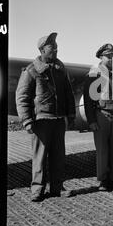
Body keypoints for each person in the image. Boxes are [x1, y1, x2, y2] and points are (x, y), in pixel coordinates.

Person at [16, 32, 75, 202]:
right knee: (39, 157)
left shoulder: (60, 68)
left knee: (58, 157)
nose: (56, 49)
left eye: (56, 47)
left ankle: (57, 188)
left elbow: (68, 93)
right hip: (40, 121)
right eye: (52, 47)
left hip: (58, 120)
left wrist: (71, 115)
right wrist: (26, 120)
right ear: (42, 49)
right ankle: (37, 189)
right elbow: (22, 97)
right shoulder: (31, 70)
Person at [83, 43, 113, 191]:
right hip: (101, 116)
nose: (111, 59)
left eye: (112, 56)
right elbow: (88, 100)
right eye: (108, 56)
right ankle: (103, 180)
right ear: (101, 57)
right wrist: (91, 120)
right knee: (102, 150)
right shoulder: (93, 74)